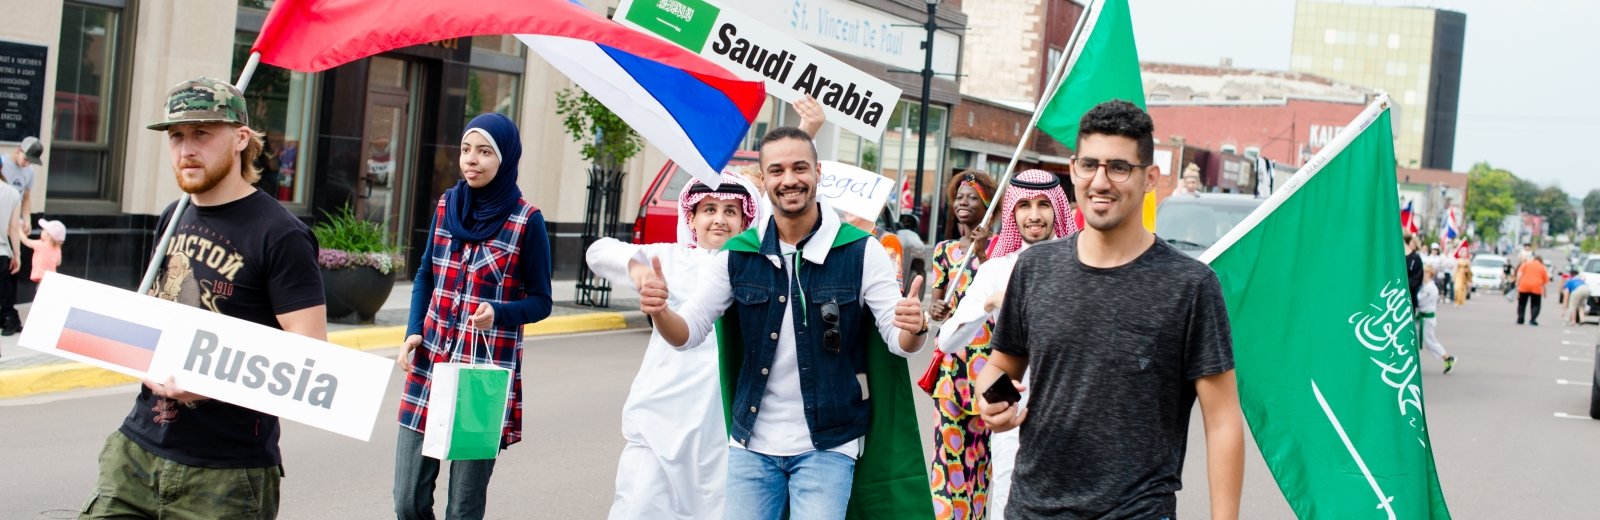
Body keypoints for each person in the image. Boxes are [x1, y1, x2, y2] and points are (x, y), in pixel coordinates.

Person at [641, 127, 932, 518]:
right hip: (752, 443)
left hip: (829, 444)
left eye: (800, 168)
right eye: (776, 170)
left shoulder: (861, 251)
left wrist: (914, 328)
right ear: (764, 179)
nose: (789, 179)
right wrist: (660, 311)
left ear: (818, 172)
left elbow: (898, 341)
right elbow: (688, 332)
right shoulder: (737, 255)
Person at [976, 100, 1244, 519]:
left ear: (1150, 177)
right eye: (1089, 165)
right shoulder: (1035, 268)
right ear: (1074, 168)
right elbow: (1000, 366)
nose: (1100, 181)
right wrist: (990, 400)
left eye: (1118, 167)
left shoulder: (1190, 286)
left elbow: (1223, 420)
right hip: (1032, 508)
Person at [81, 77, 328, 519]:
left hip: (226, 473)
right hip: (136, 450)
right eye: (176, 136)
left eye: (202, 133)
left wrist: (210, 382)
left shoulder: (281, 235)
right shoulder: (171, 217)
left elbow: (311, 356)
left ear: (240, 139)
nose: (186, 149)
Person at [394, 113, 553, 520]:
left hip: (480, 379)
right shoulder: (448, 206)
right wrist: (414, 331)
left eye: (484, 152)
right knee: (407, 501)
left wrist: (498, 312)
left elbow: (541, 301)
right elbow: (426, 272)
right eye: (466, 149)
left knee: (463, 509)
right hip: (430, 367)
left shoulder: (526, 221)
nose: (472, 160)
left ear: (505, 159)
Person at [585, 170, 759, 519]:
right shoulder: (672, 259)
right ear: (692, 218)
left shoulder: (757, 270)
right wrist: (640, 273)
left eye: (730, 211)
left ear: (744, 221)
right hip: (659, 420)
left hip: (720, 431)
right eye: (709, 209)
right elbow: (598, 251)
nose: (719, 219)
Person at [931, 169, 1077, 520]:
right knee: (1007, 502)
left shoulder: (1083, 265)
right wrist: (990, 302)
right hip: (1011, 408)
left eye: (1044, 204)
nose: (1035, 214)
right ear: (1011, 212)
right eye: (1024, 205)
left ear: (1059, 208)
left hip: (1072, 407)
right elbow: (948, 339)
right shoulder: (996, 270)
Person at [929, 171, 996, 323]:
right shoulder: (943, 249)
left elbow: (1000, 295)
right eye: (959, 197)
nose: (963, 202)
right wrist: (936, 310)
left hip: (990, 343)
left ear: (987, 209)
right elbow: (935, 306)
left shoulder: (1003, 245)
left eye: (972, 198)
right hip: (953, 342)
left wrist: (980, 254)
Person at [1418, 264, 1457, 374]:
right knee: (1414, 339)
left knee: (1430, 341)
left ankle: (1447, 357)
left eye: (1424, 272)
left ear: (1429, 274)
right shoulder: (1424, 286)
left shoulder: (1431, 288)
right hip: (1422, 317)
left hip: (1427, 318)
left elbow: (1421, 301)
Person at [18, 218, 63, 282]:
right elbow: (58, 263)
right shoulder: (58, 248)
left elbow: (26, 241)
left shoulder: (41, 244)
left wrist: (19, 229)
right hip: (52, 276)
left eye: (44, 230)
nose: (42, 231)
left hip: (41, 275)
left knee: (41, 290)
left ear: (49, 236)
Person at [0, 181, 19, 338]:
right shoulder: (12, 193)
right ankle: (9, 318)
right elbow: (13, 227)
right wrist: (16, 254)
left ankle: (10, 318)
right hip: (2, 250)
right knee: (4, 288)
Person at [1516, 254, 1549, 326]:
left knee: (1522, 303)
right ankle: (1533, 319)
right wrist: (1545, 292)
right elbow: (1545, 281)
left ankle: (1520, 319)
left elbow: (1519, 274)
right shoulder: (1542, 267)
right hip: (1536, 287)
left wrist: (1518, 285)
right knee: (1535, 304)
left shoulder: (1526, 264)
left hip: (1524, 285)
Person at [1405, 234, 1424, 311]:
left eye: (1414, 243)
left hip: (1411, 293)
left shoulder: (1416, 258)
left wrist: (1406, 283)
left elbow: (1418, 277)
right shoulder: (1401, 257)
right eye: (1411, 242)